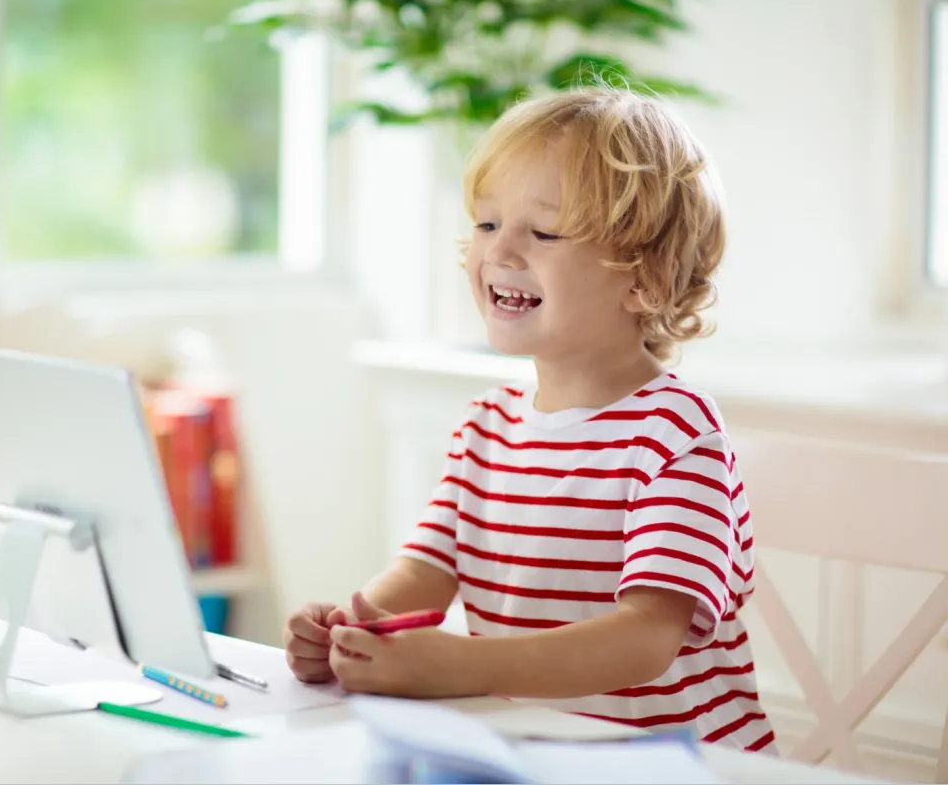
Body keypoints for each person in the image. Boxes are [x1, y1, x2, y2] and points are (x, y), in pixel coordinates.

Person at [283, 87, 776, 753]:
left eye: (543, 232)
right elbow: (425, 571)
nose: (500, 251)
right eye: (487, 224)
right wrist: (354, 627)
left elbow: (645, 640)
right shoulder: (486, 427)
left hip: (674, 767)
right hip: (530, 752)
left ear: (645, 280)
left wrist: (462, 665)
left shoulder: (675, 435)